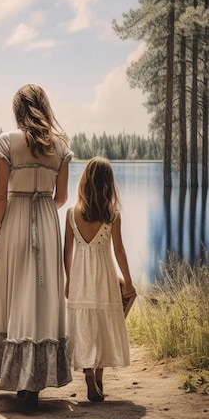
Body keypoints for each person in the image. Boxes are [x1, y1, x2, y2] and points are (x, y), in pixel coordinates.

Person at [0, 84, 73, 410]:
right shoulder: (61, 146)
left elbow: (0, 196)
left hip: (15, 219)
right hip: (46, 220)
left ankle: (16, 374)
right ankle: (36, 379)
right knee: (41, 296)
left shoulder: (7, 142)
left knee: (12, 290)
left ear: (18, 110)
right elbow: (61, 198)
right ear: (45, 107)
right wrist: (42, 209)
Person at [63, 157, 136, 402]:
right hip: (104, 278)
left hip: (80, 279)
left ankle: (88, 372)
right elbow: (119, 251)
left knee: (84, 326)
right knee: (104, 324)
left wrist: (68, 280)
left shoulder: (72, 214)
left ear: (84, 182)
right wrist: (128, 281)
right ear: (109, 184)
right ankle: (100, 378)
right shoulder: (112, 216)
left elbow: (67, 252)